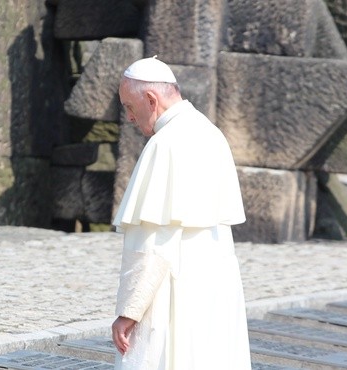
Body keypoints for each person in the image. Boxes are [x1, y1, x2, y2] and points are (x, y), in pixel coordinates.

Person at [111, 56, 252, 370]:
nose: (130, 118)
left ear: (151, 99)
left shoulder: (165, 144)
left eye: (129, 106)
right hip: (213, 290)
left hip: (174, 291)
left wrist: (128, 312)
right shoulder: (210, 132)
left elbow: (151, 244)